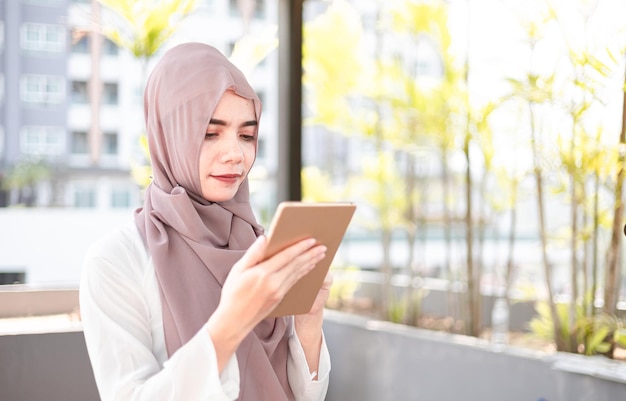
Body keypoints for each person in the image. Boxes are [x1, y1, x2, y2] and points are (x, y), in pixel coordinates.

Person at [79, 42, 332, 401]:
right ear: (170, 135)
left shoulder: (257, 244)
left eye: (246, 135)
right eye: (210, 133)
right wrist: (230, 323)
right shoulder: (117, 261)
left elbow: (300, 394)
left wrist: (308, 321)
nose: (235, 154)